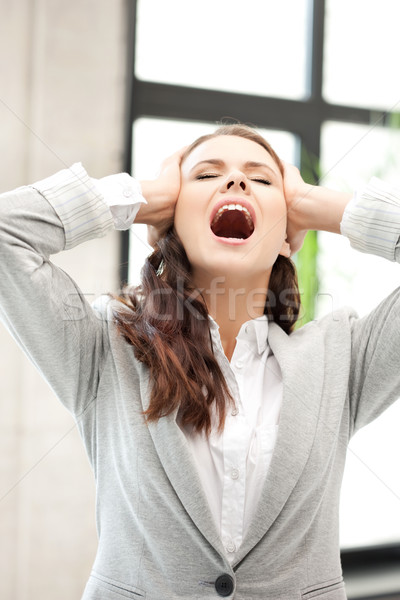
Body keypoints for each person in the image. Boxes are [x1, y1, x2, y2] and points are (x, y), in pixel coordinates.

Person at [0, 123, 399, 600]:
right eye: (207, 176)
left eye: (264, 180)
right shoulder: (103, 349)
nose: (235, 182)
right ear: (169, 221)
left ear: (287, 237)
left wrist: (324, 206)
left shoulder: (343, 357)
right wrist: (139, 195)